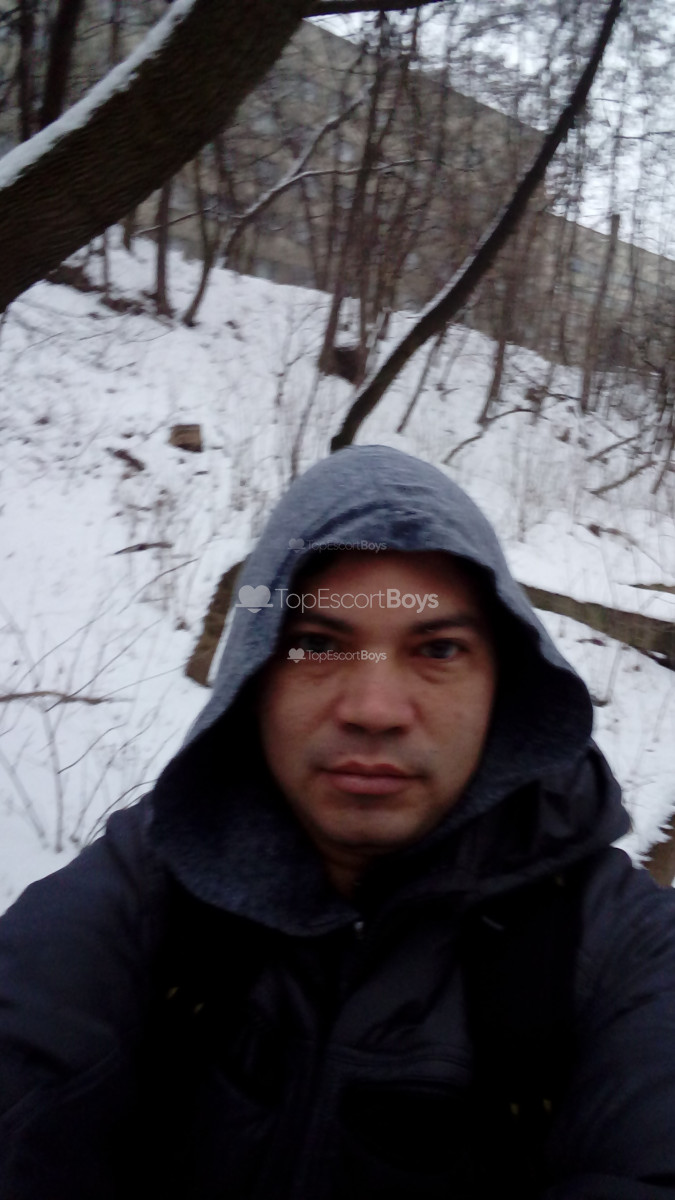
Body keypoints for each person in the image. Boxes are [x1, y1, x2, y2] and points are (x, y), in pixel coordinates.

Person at [1, 444, 675, 1200]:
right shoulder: (150, 884)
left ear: (504, 684)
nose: (374, 710)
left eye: (438, 649)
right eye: (317, 644)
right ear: (254, 672)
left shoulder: (616, 950)